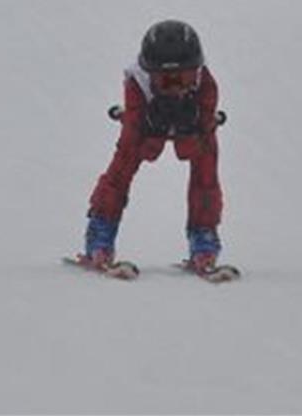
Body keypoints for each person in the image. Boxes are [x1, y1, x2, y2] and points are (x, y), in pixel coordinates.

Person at [79, 19, 224, 271]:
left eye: (182, 77)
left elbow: (195, 146)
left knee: (206, 170)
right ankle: (100, 233)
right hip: (144, 124)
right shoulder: (138, 84)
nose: (174, 86)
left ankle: (203, 237)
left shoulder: (206, 85)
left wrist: (189, 127)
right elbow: (141, 147)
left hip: (193, 128)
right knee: (121, 166)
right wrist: (152, 125)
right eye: (166, 79)